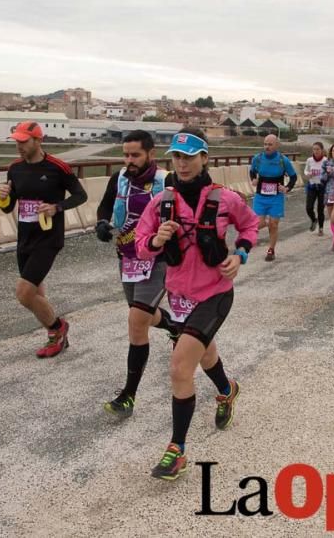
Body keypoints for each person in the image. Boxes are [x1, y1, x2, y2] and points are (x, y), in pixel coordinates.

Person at [135, 129, 259, 480]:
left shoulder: (225, 198)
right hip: (180, 295)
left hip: (216, 292)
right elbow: (142, 246)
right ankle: (227, 389)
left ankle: (177, 450)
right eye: (176, 156)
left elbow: (249, 226)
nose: (182, 163)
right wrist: (156, 239)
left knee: (178, 367)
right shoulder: (162, 202)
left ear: (204, 158)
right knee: (202, 354)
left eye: (189, 157)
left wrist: (241, 254)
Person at [94, 130, 181, 418]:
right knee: (140, 313)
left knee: (136, 320)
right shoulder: (118, 178)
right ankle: (171, 324)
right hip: (127, 256)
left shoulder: (166, 181)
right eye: (126, 155)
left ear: (150, 155)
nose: (129, 161)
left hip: (158, 260)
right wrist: (102, 223)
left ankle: (128, 395)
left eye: (135, 155)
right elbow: (105, 206)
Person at [0, 120, 87, 358]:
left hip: (49, 238)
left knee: (24, 293)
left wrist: (57, 207)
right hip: (25, 237)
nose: (19, 146)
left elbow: (80, 196)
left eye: (23, 141)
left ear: (38, 140)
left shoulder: (58, 167)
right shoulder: (15, 168)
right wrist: (3, 197)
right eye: (16, 141)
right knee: (36, 294)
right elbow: (8, 208)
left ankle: (58, 327)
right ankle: (54, 337)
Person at [248, 134, 297, 261]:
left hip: (276, 197)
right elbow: (252, 171)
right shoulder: (258, 158)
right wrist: (253, 179)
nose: (267, 147)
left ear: (276, 145)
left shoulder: (283, 160)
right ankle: (248, 236)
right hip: (260, 197)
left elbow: (293, 177)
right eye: (265, 144)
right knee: (259, 223)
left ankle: (271, 249)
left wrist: (287, 188)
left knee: (274, 224)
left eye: (270, 144)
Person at [303, 142, 327, 236]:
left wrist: (325, 175)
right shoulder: (309, 160)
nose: (316, 151)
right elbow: (305, 170)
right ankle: (314, 220)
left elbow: (328, 172)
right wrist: (308, 174)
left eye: (318, 149)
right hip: (312, 186)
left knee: (320, 209)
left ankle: (321, 228)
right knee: (309, 207)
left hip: (322, 187)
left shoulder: (325, 160)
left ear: (322, 150)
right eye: (314, 149)